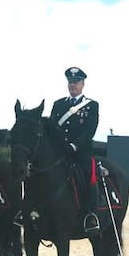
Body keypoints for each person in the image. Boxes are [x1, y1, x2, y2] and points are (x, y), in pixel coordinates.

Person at [50, 66, 101, 233]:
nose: (73, 85)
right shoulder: (58, 105)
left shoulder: (91, 106)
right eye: (70, 82)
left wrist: (74, 146)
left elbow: (89, 131)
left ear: (82, 84)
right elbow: (52, 128)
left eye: (76, 82)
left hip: (79, 153)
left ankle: (90, 214)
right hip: (59, 152)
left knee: (88, 174)